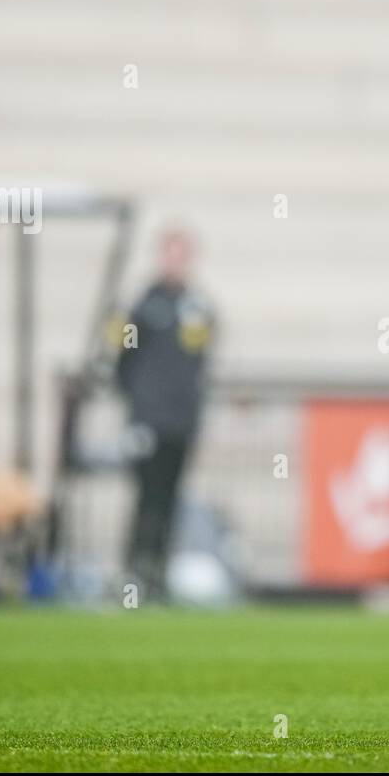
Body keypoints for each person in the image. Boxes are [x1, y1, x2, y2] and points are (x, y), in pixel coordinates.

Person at [114, 227, 217, 601]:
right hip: (149, 419)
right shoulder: (142, 306)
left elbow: (202, 361)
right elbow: (122, 359)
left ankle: (157, 575)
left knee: (170, 499)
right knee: (147, 498)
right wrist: (138, 404)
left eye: (182, 254)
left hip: (181, 421)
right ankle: (134, 575)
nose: (175, 262)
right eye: (170, 254)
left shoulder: (199, 307)